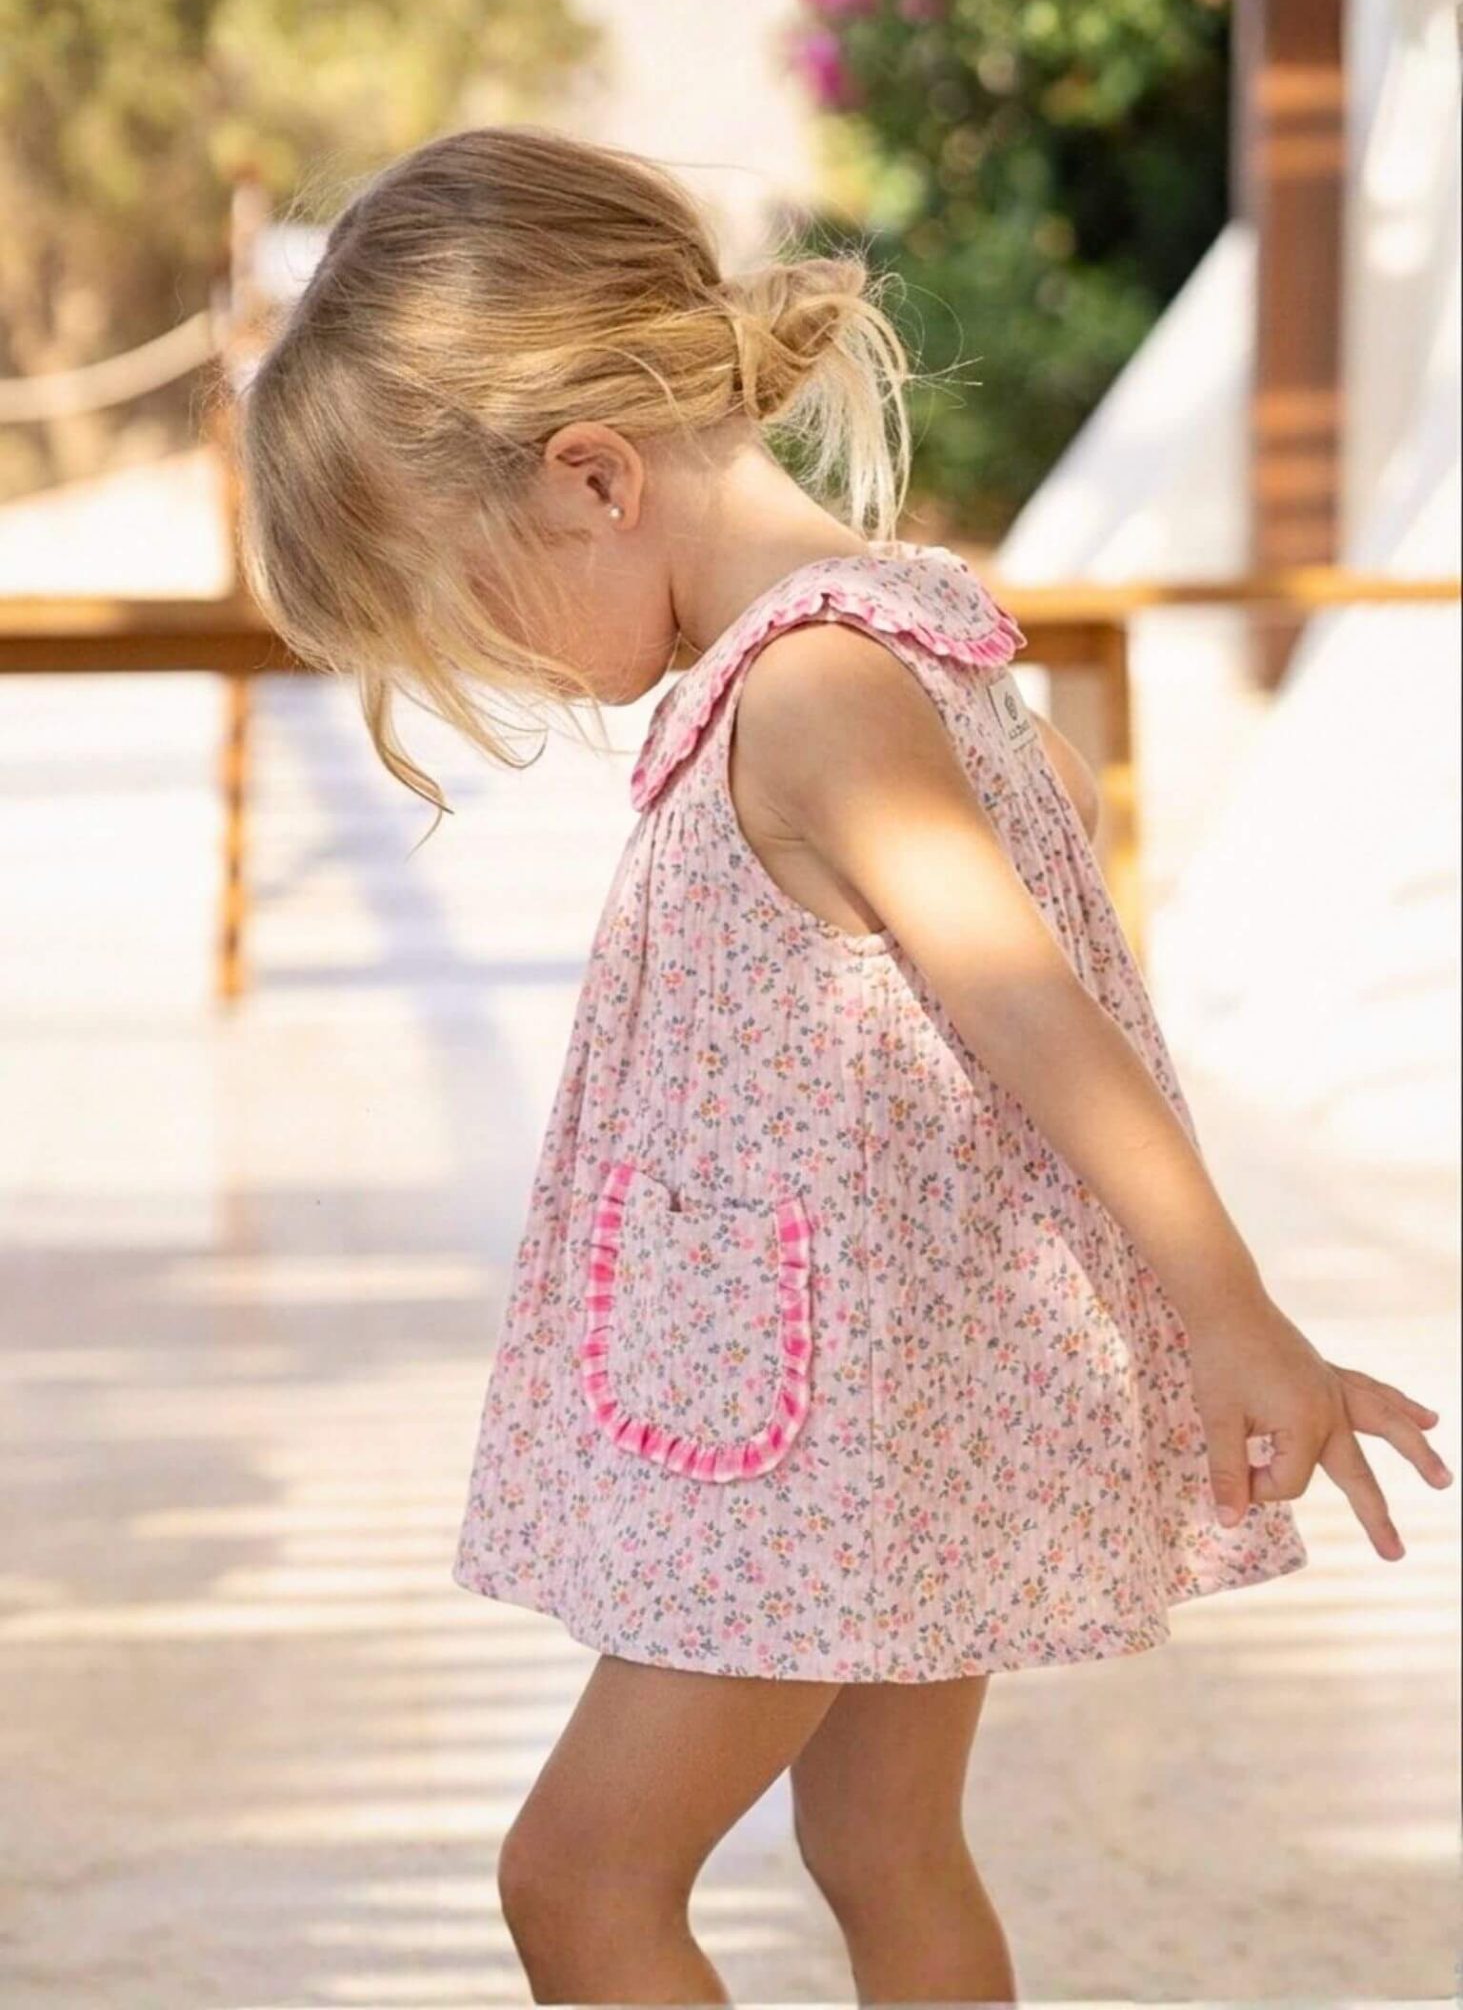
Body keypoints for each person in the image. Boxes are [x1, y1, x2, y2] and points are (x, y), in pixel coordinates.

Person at [235, 124, 1452, 2007]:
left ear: (590, 478)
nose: (524, 680)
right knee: (880, 1845)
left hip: (813, 1435)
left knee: (577, 1880)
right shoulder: (898, 642)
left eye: (474, 613)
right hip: (852, 1394)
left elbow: (1041, 1011)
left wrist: (1233, 1312)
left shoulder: (816, 689)